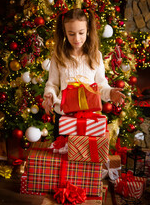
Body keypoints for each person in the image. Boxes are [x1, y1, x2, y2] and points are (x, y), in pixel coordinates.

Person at [42, 8, 125, 139]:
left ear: (87, 31)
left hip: (89, 118)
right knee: (63, 154)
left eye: (81, 33)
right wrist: (50, 96)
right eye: (71, 34)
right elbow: (52, 84)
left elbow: (101, 85)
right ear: (64, 33)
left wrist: (110, 93)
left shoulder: (95, 56)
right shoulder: (58, 56)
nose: (77, 39)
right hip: (63, 117)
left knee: (86, 154)